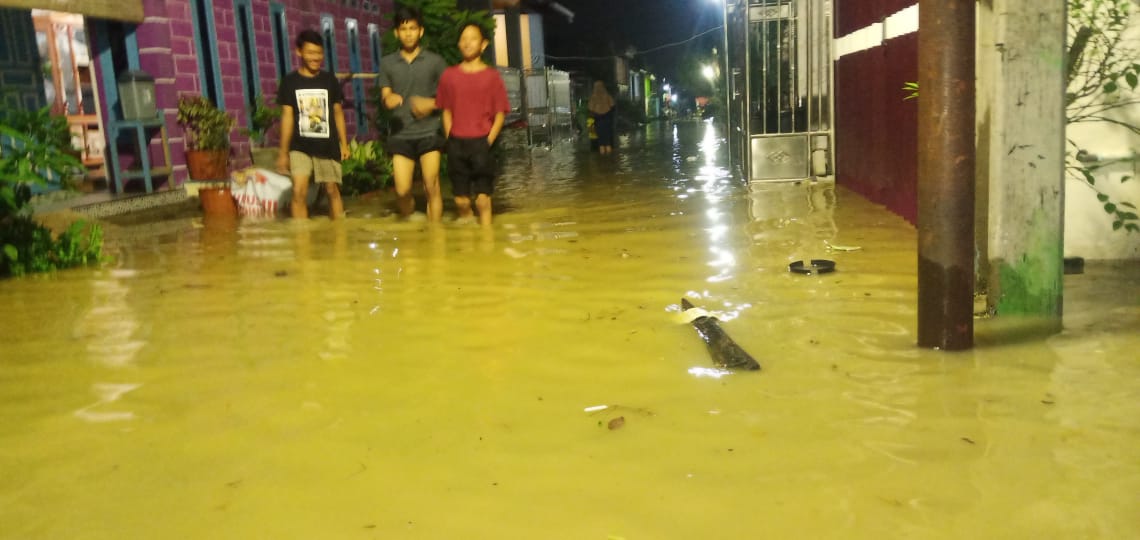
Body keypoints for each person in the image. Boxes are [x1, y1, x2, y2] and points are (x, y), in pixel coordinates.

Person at [377, 6, 448, 222]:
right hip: (401, 133)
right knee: (402, 190)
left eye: (413, 28)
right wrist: (388, 99)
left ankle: (436, 236)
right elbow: (385, 93)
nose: (408, 33)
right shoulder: (387, 63)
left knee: (431, 184)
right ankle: (411, 228)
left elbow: (450, 97)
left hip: (429, 132)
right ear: (397, 33)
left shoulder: (435, 62)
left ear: (421, 31)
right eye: (404, 28)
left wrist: (431, 103)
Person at [436, 23, 510, 227]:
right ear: (459, 43)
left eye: (473, 38)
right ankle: (467, 240)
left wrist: (487, 141)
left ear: (484, 44)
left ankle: (487, 243)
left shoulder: (492, 76)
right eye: (464, 38)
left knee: (483, 200)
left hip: (482, 143)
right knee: (461, 200)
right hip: (456, 143)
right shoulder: (449, 76)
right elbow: (446, 110)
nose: (468, 42)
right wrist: (451, 137)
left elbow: (500, 114)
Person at [276, 29, 350, 219]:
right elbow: (287, 117)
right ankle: (302, 241)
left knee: (331, 189)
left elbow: (338, 112)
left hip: (327, 145)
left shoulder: (329, 80)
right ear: (299, 52)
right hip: (299, 146)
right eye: (310, 53)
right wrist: (283, 153)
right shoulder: (290, 82)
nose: (315, 58)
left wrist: (344, 143)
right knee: (299, 192)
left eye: (319, 53)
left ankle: (340, 234)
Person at [588, 80, 615, 155]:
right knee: (607, 141)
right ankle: (609, 160)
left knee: (601, 142)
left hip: (598, 120)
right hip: (607, 119)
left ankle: (602, 161)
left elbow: (590, 109)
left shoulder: (593, 97)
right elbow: (612, 105)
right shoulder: (607, 95)